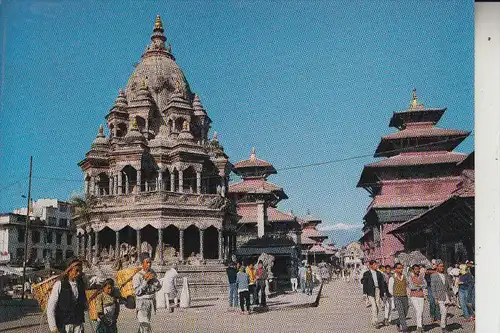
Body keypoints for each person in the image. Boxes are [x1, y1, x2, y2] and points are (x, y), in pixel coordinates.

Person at [47, 259, 87, 333]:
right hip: (64, 325)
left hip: (78, 325)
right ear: (69, 270)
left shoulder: (81, 285)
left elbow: (85, 305)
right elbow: (51, 307)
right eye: (77, 270)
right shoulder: (59, 284)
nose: (79, 273)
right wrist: (53, 328)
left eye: (80, 271)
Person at [133, 252, 162, 333]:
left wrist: (154, 281)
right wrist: (145, 281)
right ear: (142, 263)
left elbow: (158, 287)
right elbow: (137, 292)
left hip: (151, 302)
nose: (149, 264)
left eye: (150, 262)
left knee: (145, 324)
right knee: (145, 325)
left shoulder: (152, 272)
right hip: (141, 302)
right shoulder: (137, 275)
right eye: (147, 262)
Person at [362, 260, 386, 328]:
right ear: (371, 266)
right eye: (375, 265)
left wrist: (383, 292)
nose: (376, 266)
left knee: (378, 306)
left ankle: (373, 320)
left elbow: (381, 283)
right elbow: (365, 284)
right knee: (374, 307)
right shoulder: (366, 273)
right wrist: (364, 293)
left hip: (377, 290)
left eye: (376, 264)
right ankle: (376, 322)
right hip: (370, 292)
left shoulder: (379, 273)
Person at [431, 260, 452, 332]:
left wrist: (451, 296)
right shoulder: (433, 276)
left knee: (445, 312)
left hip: (446, 297)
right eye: (440, 266)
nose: (442, 267)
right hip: (439, 297)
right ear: (437, 267)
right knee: (444, 311)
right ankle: (443, 327)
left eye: (443, 266)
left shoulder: (446, 275)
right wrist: (435, 298)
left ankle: (444, 325)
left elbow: (449, 287)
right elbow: (433, 288)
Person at [389, 263, 409, 333]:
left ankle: (398, 322)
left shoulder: (404, 277)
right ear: (395, 269)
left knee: (405, 312)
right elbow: (390, 289)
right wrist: (395, 295)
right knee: (401, 313)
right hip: (397, 297)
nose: (401, 269)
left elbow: (406, 286)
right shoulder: (392, 278)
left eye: (401, 268)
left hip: (405, 296)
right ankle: (405, 329)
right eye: (399, 268)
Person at [408, 264, 427, 333]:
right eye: (415, 269)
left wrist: (418, 286)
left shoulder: (421, 276)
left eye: (418, 269)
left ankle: (420, 325)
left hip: (421, 295)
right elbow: (411, 286)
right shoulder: (410, 276)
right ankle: (419, 327)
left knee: (420, 311)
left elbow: (425, 284)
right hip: (413, 295)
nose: (417, 270)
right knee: (418, 310)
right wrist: (420, 286)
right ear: (413, 270)